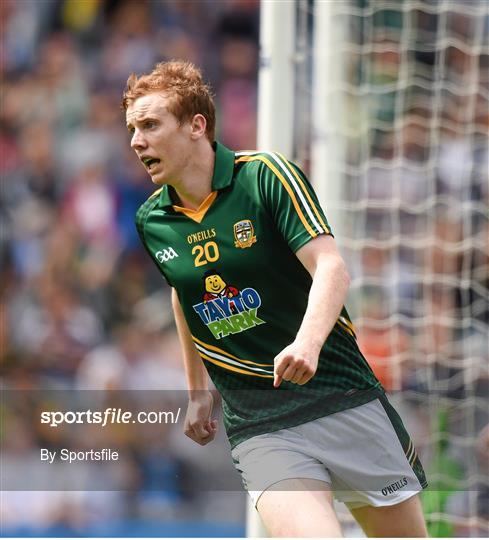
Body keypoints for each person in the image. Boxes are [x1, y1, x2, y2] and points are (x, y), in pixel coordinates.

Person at [123, 60, 428, 537]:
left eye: (150, 125)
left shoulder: (266, 176)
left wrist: (307, 344)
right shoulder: (151, 221)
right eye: (133, 129)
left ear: (196, 126)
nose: (137, 140)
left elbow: (331, 267)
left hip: (341, 397)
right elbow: (184, 295)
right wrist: (197, 393)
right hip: (260, 423)